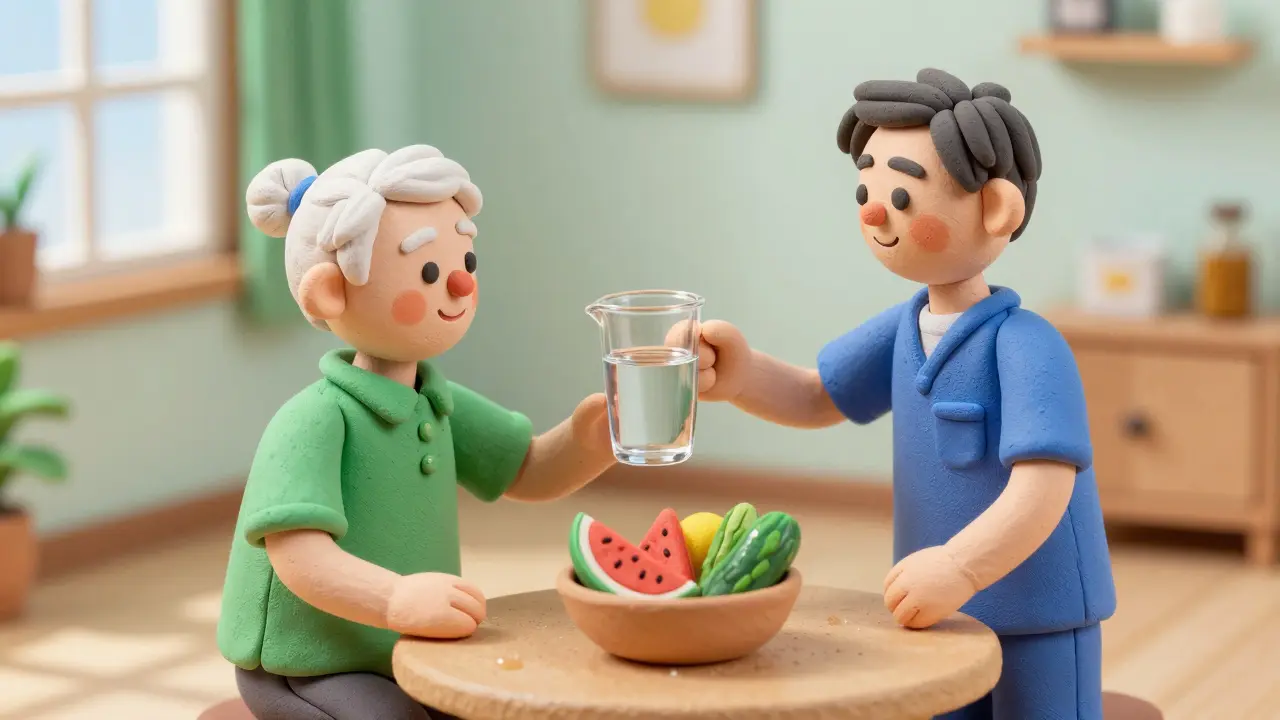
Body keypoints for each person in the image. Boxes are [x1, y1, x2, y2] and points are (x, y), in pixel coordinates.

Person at [693, 69, 1116, 720]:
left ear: (997, 208)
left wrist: (963, 567)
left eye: (901, 196)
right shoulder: (904, 327)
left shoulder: (1028, 346)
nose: (872, 211)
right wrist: (742, 376)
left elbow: (1044, 486)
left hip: (1036, 607)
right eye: (866, 190)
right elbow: (817, 397)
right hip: (936, 606)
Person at [216, 145, 617, 720]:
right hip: (308, 661)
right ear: (330, 291)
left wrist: (593, 440)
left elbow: (526, 470)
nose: (459, 283)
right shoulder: (314, 418)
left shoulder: (433, 399)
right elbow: (298, 554)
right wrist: (395, 598)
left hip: (412, 643)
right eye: (428, 271)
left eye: (465, 262)